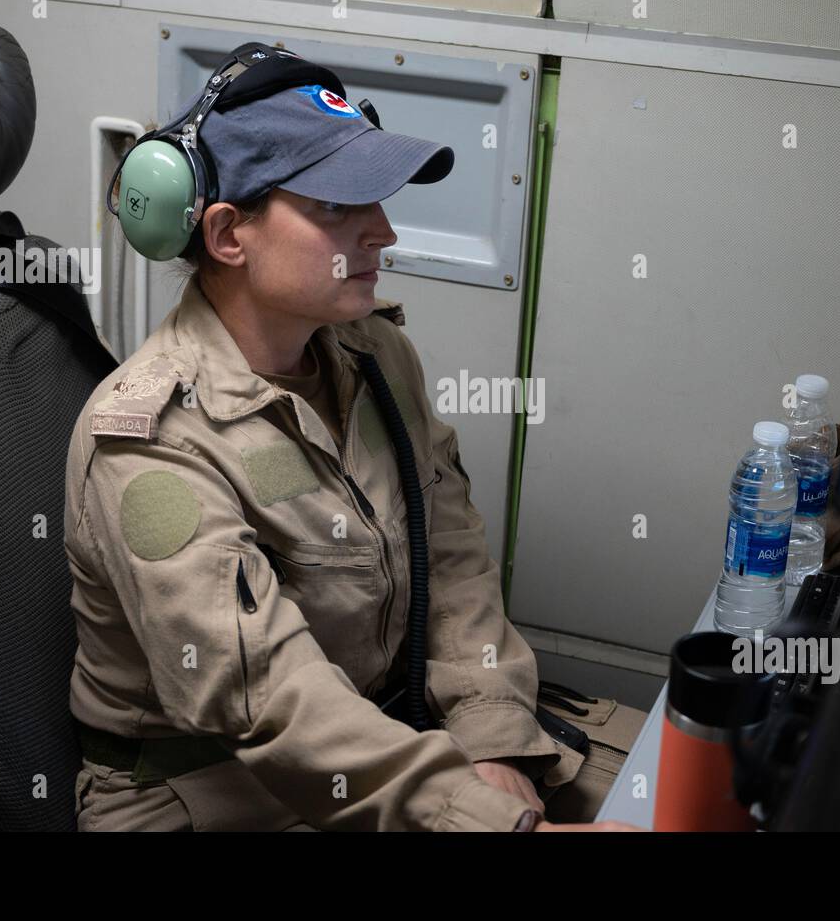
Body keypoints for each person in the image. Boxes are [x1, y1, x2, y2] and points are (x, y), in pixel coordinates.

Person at [66, 46, 646, 831]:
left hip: (390, 725)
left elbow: (450, 550)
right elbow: (268, 700)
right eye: (338, 208)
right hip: (215, 787)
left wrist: (490, 734)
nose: (384, 232)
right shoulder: (152, 440)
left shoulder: (372, 353)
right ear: (229, 234)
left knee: (699, 782)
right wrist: (474, 813)